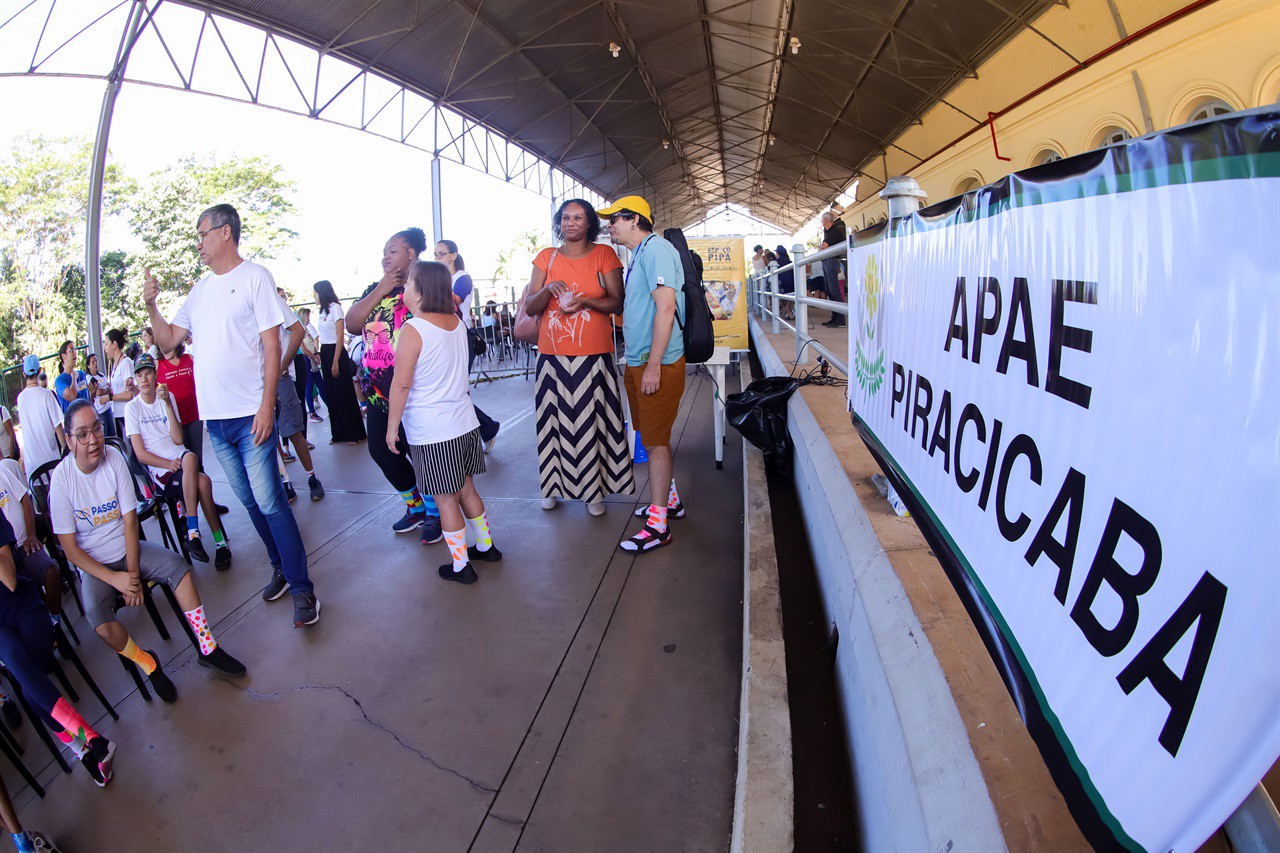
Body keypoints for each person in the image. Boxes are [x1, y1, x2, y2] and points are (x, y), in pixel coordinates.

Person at [143, 203, 320, 628]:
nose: (198, 242)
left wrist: (265, 405)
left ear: (224, 232)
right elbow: (168, 340)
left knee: (271, 502)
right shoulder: (199, 292)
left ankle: (303, 591)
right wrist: (152, 305)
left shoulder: (255, 278)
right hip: (216, 423)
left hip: (249, 415)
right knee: (248, 502)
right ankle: (279, 566)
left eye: (201, 233)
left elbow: (273, 345)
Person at [52, 400, 247, 701]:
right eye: (82, 434)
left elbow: (131, 522)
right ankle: (148, 663)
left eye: (96, 429)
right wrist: (117, 581)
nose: (92, 440)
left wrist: (130, 574)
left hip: (128, 549)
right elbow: (71, 551)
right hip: (95, 566)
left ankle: (207, 647)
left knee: (179, 569)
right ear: (68, 440)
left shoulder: (114, 458)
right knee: (97, 617)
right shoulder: (62, 481)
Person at [386, 261, 501, 584]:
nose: (405, 289)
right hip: (464, 423)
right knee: (466, 488)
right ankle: (486, 546)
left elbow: (402, 384)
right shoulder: (456, 323)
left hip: (434, 430)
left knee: (445, 498)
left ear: (421, 292)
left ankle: (461, 565)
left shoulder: (414, 329)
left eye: (408, 284)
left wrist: (392, 426)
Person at [520, 198, 633, 516]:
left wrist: (584, 301)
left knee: (593, 425)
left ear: (589, 224)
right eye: (566, 217)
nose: (571, 222)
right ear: (560, 222)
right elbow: (531, 307)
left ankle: (593, 492)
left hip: (594, 357)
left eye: (579, 217)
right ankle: (551, 487)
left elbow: (616, 303)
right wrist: (547, 290)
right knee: (551, 426)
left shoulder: (604, 254)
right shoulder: (546, 257)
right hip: (552, 357)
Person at [595, 195, 688, 552]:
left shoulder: (656, 250)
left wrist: (652, 366)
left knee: (655, 443)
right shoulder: (640, 255)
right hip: (640, 361)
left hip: (657, 362)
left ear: (635, 219)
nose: (609, 226)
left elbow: (666, 310)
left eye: (614, 219)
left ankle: (659, 524)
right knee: (651, 434)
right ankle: (670, 501)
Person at [0, 508, 114, 790]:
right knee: (19, 664)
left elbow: (9, 578)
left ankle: (83, 752)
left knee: (29, 681)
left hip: (22, 605)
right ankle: (92, 740)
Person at [345, 228, 443, 543]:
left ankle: (435, 511)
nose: (386, 256)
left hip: (415, 392)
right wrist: (381, 289)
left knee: (421, 454)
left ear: (411, 254)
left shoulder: (422, 286)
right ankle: (414, 505)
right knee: (382, 451)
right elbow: (351, 323)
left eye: (393, 251)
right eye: (384, 252)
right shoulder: (374, 289)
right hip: (377, 393)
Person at [125, 355, 232, 568]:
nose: (144, 379)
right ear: (135, 379)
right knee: (202, 480)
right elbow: (140, 454)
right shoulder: (132, 408)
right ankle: (218, 543)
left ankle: (194, 533)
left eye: (147, 373)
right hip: (163, 469)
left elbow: (178, 439)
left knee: (192, 461)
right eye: (139, 375)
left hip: (181, 459)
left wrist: (166, 404)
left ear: (155, 375)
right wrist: (166, 464)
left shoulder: (168, 397)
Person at [435, 239, 500, 451]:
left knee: (458, 392)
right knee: (453, 392)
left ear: (453, 255)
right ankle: (484, 429)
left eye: (442, 254)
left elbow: (452, 301)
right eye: (435, 255)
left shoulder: (461, 277)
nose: (438, 258)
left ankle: (484, 430)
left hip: (461, 337)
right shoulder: (439, 279)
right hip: (443, 338)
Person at [272, 292, 325, 502]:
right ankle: (285, 482)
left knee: (294, 431)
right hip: (256, 384)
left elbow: (298, 331)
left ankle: (312, 477)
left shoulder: (273, 302)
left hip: (280, 379)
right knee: (269, 436)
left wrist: (283, 365)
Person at [313, 279, 366, 445]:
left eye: (314, 292)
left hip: (336, 353)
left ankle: (355, 433)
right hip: (326, 352)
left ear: (321, 292)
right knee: (332, 394)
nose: (313, 296)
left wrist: (335, 361)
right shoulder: (322, 312)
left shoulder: (335, 308)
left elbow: (339, 336)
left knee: (344, 393)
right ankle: (339, 433)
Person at [15, 356, 65, 477]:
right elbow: (58, 426)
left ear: (24, 374)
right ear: (40, 370)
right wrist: (65, 448)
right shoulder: (47, 395)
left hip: (33, 467)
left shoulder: (20, 398)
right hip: (52, 464)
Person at [105, 328, 137, 436]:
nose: (105, 348)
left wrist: (109, 397)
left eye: (106, 344)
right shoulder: (115, 365)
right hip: (119, 414)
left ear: (114, 344)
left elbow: (129, 394)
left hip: (127, 414)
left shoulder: (126, 363)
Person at [819, 209, 847, 328]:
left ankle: (840, 319)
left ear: (825, 220)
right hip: (828, 261)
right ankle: (834, 317)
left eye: (822, 219)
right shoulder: (829, 231)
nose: (821, 221)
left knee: (834, 290)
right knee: (829, 290)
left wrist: (822, 248)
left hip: (831, 261)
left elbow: (824, 246)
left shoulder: (835, 231)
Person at [297, 306, 324, 422]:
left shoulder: (306, 329)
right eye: (307, 316)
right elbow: (303, 348)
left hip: (311, 359)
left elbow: (311, 344)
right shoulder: (300, 330)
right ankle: (312, 413)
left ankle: (331, 405)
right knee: (309, 386)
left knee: (320, 384)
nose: (309, 319)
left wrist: (316, 354)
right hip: (306, 360)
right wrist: (313, 357)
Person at [85, 352, 115, 439]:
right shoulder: (88, 378)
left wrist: (104, 389)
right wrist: (106, 388)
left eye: (96, 361)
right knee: (105, 436)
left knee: (112, 433)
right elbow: (98, 392)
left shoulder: (101, 375)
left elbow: (110, 388)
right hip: (100, 411)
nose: (95, 364)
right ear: (88, 366)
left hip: (108, 407)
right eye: (93, 362)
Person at [52, 342, 88, 414]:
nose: (75, 353)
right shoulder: (60, 381)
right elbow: (72, 396)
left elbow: (86, 396)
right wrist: (74, 378)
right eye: (71, 350)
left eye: (75, 350)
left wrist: (93, 393)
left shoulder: (81, 374)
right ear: (64, 356)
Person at [775, 245, 795, 321]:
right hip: (793, 288)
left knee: (774, 291)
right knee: (792, 296)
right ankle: (789, 311)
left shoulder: (775, 262)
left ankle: (788, 311)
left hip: (782, 288)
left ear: (777, 253)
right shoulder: (790, 262)